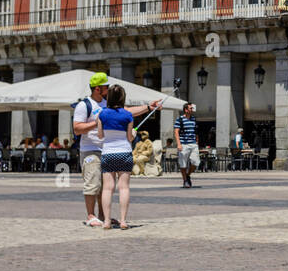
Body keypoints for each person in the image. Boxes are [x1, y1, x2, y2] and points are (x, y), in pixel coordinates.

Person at [73, 71, 162, 227]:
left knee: (104, 186)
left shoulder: (106, 105)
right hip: (90, 149)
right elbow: (77, 129)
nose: (108, 89)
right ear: (97, 89)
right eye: (105, 87)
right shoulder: (84, 105)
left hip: (106, 150)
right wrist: (99, 122)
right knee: (93, 183)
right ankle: (91, 215)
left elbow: (126, 111)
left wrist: (148, 107)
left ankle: (103, 216)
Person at [94, 83, 135, 229]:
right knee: (124, 188)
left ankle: (106, 221)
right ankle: (123, 221)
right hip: (124, 152)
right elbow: (130, 137)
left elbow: (100, 135)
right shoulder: (128, 115)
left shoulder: (102, 114)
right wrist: (133, 134)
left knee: (107, 188)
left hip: (108, 152)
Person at [175, 103, 199, 187]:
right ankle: (185, 180)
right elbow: (176, 132)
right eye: (190, 108)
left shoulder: (193, 119)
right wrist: (179, 144)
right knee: (183, 164)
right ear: (186, 110)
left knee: (195, 162)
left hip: (193, 143)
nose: (192, 109)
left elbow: (195, 131)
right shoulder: (180, 119)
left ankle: (188, 175)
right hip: (183, 144)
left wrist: (197, 142)